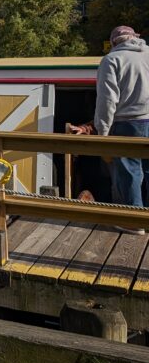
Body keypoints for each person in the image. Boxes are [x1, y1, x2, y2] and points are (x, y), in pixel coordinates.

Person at [72, 25, 149, 234]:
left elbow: (107, 102)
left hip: (128, 123)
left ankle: (134, 221)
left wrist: (103, 135)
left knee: (129, 171)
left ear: (114, 42)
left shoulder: (112, 60)